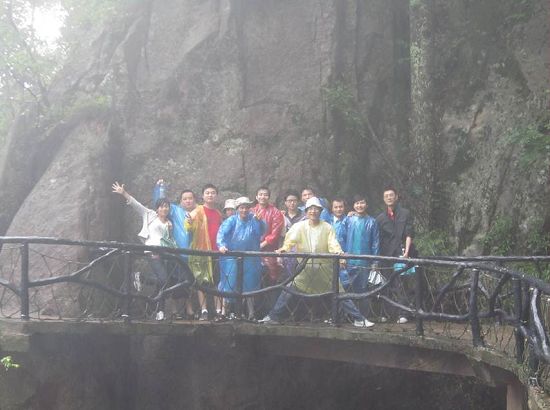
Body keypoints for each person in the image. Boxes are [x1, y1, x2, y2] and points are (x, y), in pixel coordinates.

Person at [259, 197, 374, 328]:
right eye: (310, 209)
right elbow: (290, 241)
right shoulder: (299, 227)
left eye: (316, 209)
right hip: (305, 270)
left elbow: (333, 244)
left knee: (341, 294)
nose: (313, 211)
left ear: (320, 211)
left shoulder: (327, 227)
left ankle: (358, 319)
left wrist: (340, 255)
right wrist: (284, 249)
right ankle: (273, 316)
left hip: (324, 271)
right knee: (288, 290)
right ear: (306, 211)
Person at [112, 181, 184, 321]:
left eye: (167, 207)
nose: (164, 209)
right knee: (163, 280)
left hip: (165, 254)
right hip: (152, 251)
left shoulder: (169, 223)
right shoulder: (150, 215)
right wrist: (124, 193)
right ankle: (156, 304)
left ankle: (157, 307)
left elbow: (169, 240)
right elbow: (136, 205)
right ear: (157, 208)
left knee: (163, 282)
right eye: (162, 206)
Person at [153, 179, 196, 318]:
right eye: (185, 199)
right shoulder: (175, 210)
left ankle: (189, 309)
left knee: (188, 282)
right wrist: (160, 188)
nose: (188, 201)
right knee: (173, 281)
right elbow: (161, 203)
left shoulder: (198, 212)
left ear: (194, 200)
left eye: (190, 198)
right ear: (181, 201)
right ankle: (174, 310)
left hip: (192, 254)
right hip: (175, 253)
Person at [217, 197, 265, 320]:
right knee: (229, 282)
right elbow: (221, 233)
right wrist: (221, 245)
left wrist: (259, 221)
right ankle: (224, 312)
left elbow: (261, 231)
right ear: (237, 209)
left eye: (246, 207)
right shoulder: (231, 220)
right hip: (232, 256)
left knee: (250, 284)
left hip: (250, 257)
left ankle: (251, 314)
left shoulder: (254, 219)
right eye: (242, 207)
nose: (244, 210)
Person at [376, 186, 416, 324]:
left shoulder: (405, 213)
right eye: (386, 195)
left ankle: (403, 313)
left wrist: (406, 252)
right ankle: (387, 313)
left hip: (402, 252)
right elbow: (378, 238)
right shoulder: (380, 218)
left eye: (391, 195)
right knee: (386, 284)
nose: (389, 197)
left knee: (402, 284)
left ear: (396, 197)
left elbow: (409, 233)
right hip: (386, 254)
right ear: (383, 199)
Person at [185, 183, 223, 320]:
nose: (210, 195)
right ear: (203, 196)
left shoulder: (218, 213)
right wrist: (189, 222)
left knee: (217, 281)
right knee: (202, 281)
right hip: (201, 251)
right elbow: (188, 227)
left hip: (216, 251)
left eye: (213, 193)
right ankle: (204, 310)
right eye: (207, 193)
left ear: (216, 195)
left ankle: (218, 310)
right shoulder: (198, 211)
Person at [345, 194, 380, 317]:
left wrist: (375, 261)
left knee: (364, 289)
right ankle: (348, 316)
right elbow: (341, 237)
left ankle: (364, 316)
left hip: (365, 261)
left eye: (362, 202)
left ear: (367, 204)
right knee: (347, 288)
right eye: (357, 203)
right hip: (348, 260)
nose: (359, 205)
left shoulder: (372, 222)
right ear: (353, 205)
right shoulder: (348, 220)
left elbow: (375, 242)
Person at [250, 187, 285, 284]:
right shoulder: (251, 211)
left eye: (265, 195)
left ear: (269, 197)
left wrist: (261, 245)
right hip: (252, 249)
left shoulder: (275, 212)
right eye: (260, 194)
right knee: (252, 277)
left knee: (270, 277)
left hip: (269, 250)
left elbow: (275, 233)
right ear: (256, 197)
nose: (263, 197)